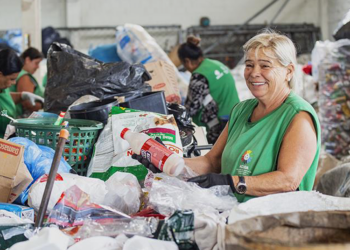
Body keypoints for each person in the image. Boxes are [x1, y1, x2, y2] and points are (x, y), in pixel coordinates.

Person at [136, 30, 321, 203]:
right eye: (249, 65)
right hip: (232, 215)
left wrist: (232, 182)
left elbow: (288, 181)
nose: (254, 72)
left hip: (273, 225)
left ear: (288, 71)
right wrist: (169, 163)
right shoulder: (242, 110)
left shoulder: (297, 116)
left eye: (265, 66)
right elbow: (212, 162)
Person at [178, 36, 240, 144]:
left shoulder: (199, 76)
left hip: (220, 125)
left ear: (187, 61)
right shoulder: (216, 64)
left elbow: (192, 108)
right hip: (236, 115)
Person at [0, 49, 44, 138]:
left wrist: (22, 96)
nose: (14, 83)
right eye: (12, 79)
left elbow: (4, 98)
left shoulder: (3, 87)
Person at [10, 47, 44, 117]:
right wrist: (45, 104)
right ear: (27, 60)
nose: (38, 67)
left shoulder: (21, 74)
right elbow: (28, 104)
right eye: (36, 63)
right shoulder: (24, 77)